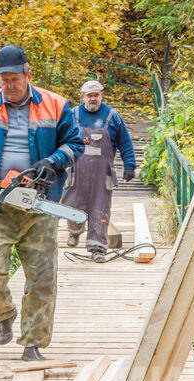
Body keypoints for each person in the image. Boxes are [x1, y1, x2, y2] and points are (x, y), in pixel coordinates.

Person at [0, 45, 84, 361]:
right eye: (4, 80)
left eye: (15, 79)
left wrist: (52, 162)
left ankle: (32, 344)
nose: (9, 86)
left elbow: (75, 143)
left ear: (28, 75)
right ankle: (4, 314)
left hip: (39, 205)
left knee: (41, 279)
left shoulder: (55, 105)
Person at [62, 80, 137, 262]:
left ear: (101, 95)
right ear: (83, 97)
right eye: (90, 96)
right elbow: (60, 138)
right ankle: (74, 231)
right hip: (77, 172)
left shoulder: (113, 116)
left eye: (96, 95)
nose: (93, 99)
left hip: (102, 174)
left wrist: (130, 165)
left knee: (99, 209)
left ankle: (97, 248)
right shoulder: (73, 115)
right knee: (71, 204)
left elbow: (125, 142)